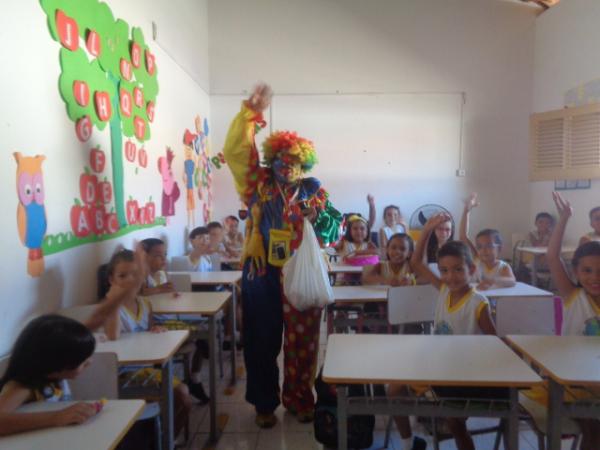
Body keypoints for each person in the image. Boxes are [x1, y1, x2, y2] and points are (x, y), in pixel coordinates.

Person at [223, 83, 342, 427]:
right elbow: (235, 151)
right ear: (271, 160)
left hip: (301, 273)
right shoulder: (256, 183)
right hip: (262, 274)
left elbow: (335, 229)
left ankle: (299, 399)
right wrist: (250, 113)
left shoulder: (313, 189)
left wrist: (318, 218)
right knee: (261, 341)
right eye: (280, 161)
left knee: (303, 343)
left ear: (304, 164)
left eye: (294, 162)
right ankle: (263, 403)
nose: (287, 167)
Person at [388, 213, 497, 450]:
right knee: (394, 389)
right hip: (439, 365)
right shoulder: (444, 289)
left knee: (455, 422)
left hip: (464, 373)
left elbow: (495, 345)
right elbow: (416, 263)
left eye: (458, 270)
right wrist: (426, 230)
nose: (451, 277)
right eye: (444, 270)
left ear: (471, 269)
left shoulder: (478, 304)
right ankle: (408, 444)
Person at [533, 191, 600, 449]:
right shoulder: (573, 295)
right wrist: (564, 218)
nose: (594, 277)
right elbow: (552, 256)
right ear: (576, 272)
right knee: (594, 429)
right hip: (570, 382)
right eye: (587, 271)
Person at [103, 249, 193, 438]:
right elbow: (112, 336)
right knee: (182, 394)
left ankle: (165, 438)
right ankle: (163, 441)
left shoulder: (144, 304)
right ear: (111, 279)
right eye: (122, 275)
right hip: (121, 373)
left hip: (144, 367)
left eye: (135, 275)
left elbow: (149, 331)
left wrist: (155, 330)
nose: (129, 280)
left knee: (181, 396)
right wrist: (112, 302)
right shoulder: (109, 308)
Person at [0, 315, 98, 436]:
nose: (89, 362)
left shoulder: (55, 377)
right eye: (82, 361)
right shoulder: (24, 387)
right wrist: (56, 417)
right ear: (56, 363)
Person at [138, 238, 210, 404]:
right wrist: (159, 290)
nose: (163, 259)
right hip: (158, 324)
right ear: (144, 256)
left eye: (165, 255)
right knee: (202, 336)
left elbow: (166, 292)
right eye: (157, 255)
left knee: (203, 334)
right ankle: (192, 379)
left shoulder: (162, 273)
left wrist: (172, 294)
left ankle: (194, 376)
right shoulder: (141, 276)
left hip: (170, 318)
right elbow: (139, 294)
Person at [459, 193, 516, 290]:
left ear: (499, 248)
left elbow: (512, 281)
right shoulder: (477, 258)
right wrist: (466, 211)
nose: (484, 250)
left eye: (489, 246)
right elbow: (463, 236)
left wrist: (492, 281)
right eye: (480, 247)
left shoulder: (503, 267)